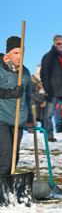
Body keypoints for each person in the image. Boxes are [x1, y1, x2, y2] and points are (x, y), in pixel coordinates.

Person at [0, 36, 32, 176]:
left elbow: (28, 97)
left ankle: (7, 188)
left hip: (18, 120)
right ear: (8, 53)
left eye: (21, 53)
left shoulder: (25, 72)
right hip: (1, 118)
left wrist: (30, 118)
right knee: (6, 154)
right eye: (15, 53)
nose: (19, 57)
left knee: (14, 157)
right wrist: (12, 93)